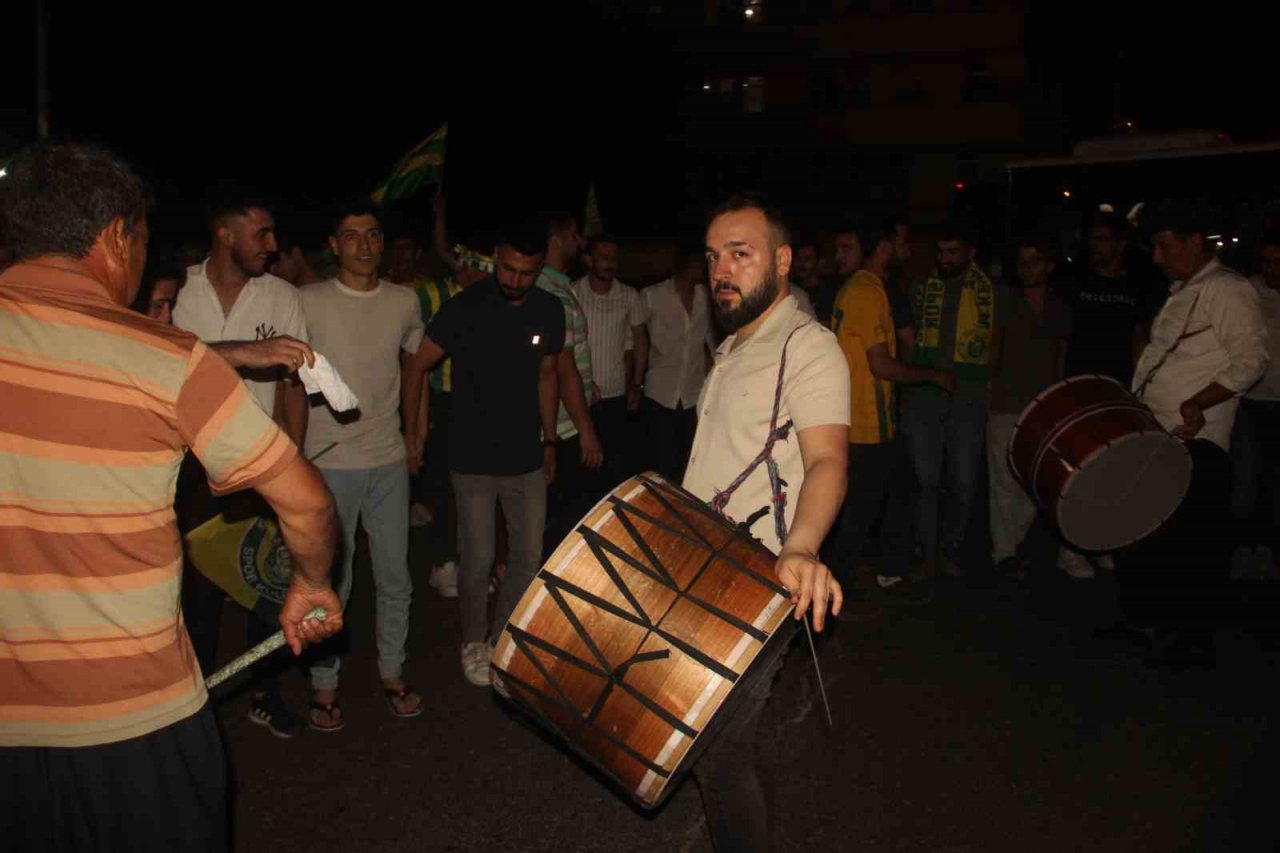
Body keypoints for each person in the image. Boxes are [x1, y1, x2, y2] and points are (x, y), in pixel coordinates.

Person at [0, 141, 341, 851]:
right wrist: (311, 582)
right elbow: (305, 502)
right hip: (135, 724)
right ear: (116, 235)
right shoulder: (162, 356)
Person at [684, 194, 848, 852]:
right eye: (713, 256)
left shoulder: (809, 346)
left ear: (781, 261)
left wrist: (802, 547)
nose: (721, 269)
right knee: (714, 747)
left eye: (740, 254)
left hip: (759, 578)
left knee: (718, 751)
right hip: (702, 566)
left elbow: (828, 460)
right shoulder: (732, 345)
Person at [173, 191, 317, 738]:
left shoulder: (280, 295)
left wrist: (292, 464)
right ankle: (196, 703)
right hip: (188, 467)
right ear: (225, 233)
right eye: (261, 233)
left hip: (258, 461)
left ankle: (265, 690)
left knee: (267, 580)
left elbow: (294, 389)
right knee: (199, 590)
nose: (273, 246)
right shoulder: (178, 291)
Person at [404, 222, 565, 686]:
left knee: (527, 556)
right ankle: (474, 642)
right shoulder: (466, 307)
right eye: (509, 269)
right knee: (477, 558)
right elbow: (417, 365)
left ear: (540, 270)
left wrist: (550, 440)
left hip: (526, 457)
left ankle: (502, 637)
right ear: (496, 257)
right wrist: (414, 434)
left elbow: (548, 376)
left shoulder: (548, 310)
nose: (515, 280)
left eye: (527, 273)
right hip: (471, 456)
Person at [1116, 201, 1268, 666]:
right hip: (1159, 434)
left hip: (1195, 441)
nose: (1157, 258)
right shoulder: (1187, 289)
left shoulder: (1227, 289)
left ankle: (1189, 643)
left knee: (1191, 547)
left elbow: (1253, 360)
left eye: (1163, 246)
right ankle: (1148, 623)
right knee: (1147, 534)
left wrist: (1199, 402)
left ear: (1193, 242)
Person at [298, 200, 428, 729]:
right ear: (334, 244)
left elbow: (416, 368)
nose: (365, 246)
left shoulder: (403, 301)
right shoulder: (307, 302)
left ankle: (393, 672)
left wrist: (417, 433)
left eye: (372, 235)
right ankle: (324, 685)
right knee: (334, 580)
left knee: (396, 575)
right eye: (352, 236)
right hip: (329, 461)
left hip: (388, 457)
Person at [830, 217, 951, 604]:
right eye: (900, 242)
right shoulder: (867, 293)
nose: (908, 250)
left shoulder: (866, 289)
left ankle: (887, 569)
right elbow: (881, 365)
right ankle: (835, 593)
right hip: (866, 423)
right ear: (883, 247)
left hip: (868, 419)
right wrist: (932, 375)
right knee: (860, 512)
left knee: (896, 493)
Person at [902, 221, 1008, 577]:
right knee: (925, 481)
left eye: (953, 252)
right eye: (941, 252)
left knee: (963, 482)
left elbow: (996, 342)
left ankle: (951, 548)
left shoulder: (991, 291)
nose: (945, 259)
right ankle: (925, 554)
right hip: (924, 395)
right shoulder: (921, 288)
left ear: (970, 253)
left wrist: (982, 383)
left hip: (969, 397)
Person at [987, 239, 1070, 578]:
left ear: (1049, 265)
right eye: (1023, 262)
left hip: (1043, 406)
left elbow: (1060, 355)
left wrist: (1058, 400)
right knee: (1004, 483)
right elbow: (993, 350)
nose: (1028, 268)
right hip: (1006, 403)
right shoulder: (1006, 301)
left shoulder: (1059, 306)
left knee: (1036, 481)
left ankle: (1017, 545)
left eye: (1035, 261)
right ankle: (1003, 554)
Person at [536, 213, 604, 557]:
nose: (581, 244)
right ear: (557, 238)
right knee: (560, 523)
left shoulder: (554, 286)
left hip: (562, 422)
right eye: (576, 235)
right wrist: (587, 430)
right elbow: (562, 372)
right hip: (562, 428)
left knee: (549, 518)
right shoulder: (553, 295)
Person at [573, 235, 648, 484]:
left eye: (614, 257)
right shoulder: (573, 293)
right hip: (579, 396)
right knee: (580, 467)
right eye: (604, 257)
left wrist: (636, 385)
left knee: (613, 469)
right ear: (588, 260)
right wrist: (582, 381)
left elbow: (639, 341)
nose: (610, 263)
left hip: (616, 397)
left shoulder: (629, 296)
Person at [640, 243, 714, 480]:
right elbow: (637, 340)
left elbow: (708, 345)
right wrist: (635, 381)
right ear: (687, 266)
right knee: (660, 465)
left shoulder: (706, 297)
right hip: (660, 392)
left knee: (688, 464)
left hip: (692, 394)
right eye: (700, 265)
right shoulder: (652, 296)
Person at [1230, 231, 1280, 577]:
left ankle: (1268, 550)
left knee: (1275, 482)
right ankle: (1241, 548)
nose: (1273, 268)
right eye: (1268, 260)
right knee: (1244, 480)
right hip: (1250, 400)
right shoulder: (1248, 291)